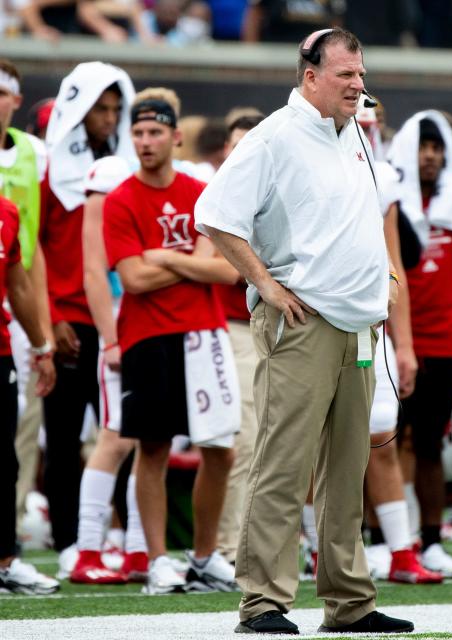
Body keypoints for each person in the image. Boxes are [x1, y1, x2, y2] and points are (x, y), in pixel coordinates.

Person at [195, 28, 412, 635]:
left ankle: (350, 603)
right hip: (302, 322)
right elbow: (213, 214)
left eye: (361, 73)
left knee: (347, 470)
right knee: (283, 464)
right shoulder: (274, 137)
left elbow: (346, 219)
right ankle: (262, 601)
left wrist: (382, 277)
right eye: (345, 75)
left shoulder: (352, 134)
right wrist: (266, 285)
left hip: (356, 325)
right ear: (310, 76)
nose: (358, 85)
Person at [102, 88, 241, 596]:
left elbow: (224, 270)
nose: (145, 140)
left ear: (175, 136)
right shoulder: (119, 200)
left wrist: (162, 257)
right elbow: (133, 280)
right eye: (137, 132)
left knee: (221, 449)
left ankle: (204, 556)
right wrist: (189, 265)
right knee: (153, 447)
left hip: (204, 334)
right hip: (146, 335)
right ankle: (158, 558)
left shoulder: (199, 190)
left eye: (155, 131)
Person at [40, 61, 137, 577]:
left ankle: (115, 536)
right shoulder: (47, 167)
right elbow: (33, 249)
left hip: (121, 320)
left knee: (121, 430)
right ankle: (66, 541)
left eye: (115, 107)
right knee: (62, 436)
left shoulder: (122, 166)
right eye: (100, 108)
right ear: (77, 112)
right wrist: (51, 315)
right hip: (69, 322)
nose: (110, 117)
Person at [386, 110, 452, 580]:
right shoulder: (387, 202)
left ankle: (430, 541)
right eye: (422, 146)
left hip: (444, 345)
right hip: (391, 341)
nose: (429, 155)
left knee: (429, 444)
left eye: (437, 148)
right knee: (380, 443)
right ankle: (382, 542)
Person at [355, 104, 442, 585]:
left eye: (374, 116)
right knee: (320, 447)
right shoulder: (303, 159)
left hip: (369, 326)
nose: (368, 125)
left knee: (382, 436)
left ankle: (401, 552)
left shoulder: (381, 178)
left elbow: (394, 266)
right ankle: (322, 551)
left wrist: (403, 345)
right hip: (320, 321)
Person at [70, 152, 151, 585]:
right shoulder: (111, 173)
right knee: (115, 437)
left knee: (150, 439)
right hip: (122, 323)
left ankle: (140, 550)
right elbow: (94, 269)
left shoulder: (168, 179)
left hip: (155, 322)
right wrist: (111, 337)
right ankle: (87, 549)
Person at [0, 59, 53, 542]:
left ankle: (9, 536)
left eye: (2, 92)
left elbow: (36, 243)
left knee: (19, 424)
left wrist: (44, 326)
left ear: (16, 100)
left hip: (17, 300)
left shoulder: (35, 153)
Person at [213, 113, 264, 566]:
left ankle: (268, 546)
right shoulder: (218, 192)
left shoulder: (277, 189)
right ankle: (231, 548)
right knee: (243, 441)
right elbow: (225, 268)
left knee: (283, 443)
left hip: (282, 325)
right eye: (236, 144)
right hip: (233, 327)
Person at [0, 194, 58, 595]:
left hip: (0, 351)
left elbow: (18, 285)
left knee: (5, 461)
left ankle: (5, 561)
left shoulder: (6, 211)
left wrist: (40, 347)